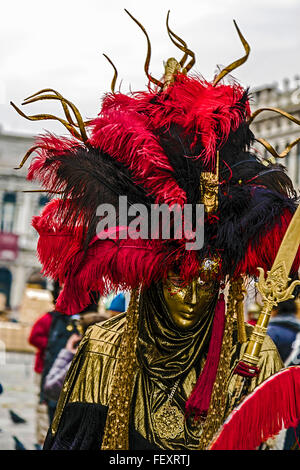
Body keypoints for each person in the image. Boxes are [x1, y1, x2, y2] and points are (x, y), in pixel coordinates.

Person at [12, 12, 300, 450]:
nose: (189, 296)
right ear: (149, 279)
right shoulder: (104, 350)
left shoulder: (255, 358)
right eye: (175, 281)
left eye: (203, 281)